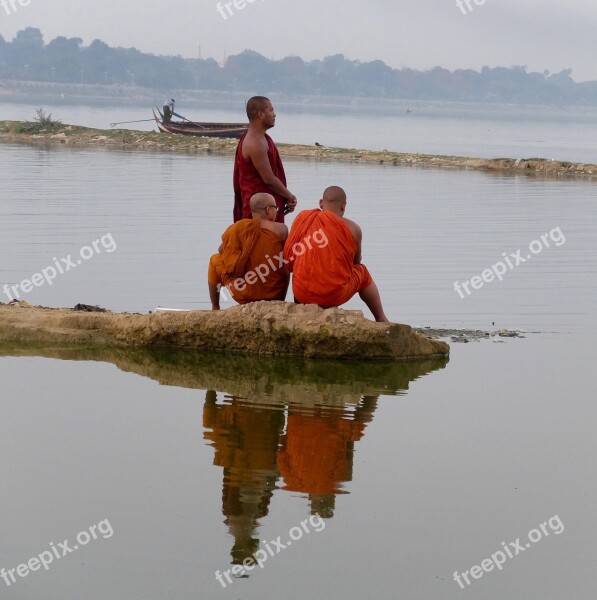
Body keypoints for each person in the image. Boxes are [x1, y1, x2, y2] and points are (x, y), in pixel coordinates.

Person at [284, 186, 389, 322]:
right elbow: (355, 262)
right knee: (362, 272)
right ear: (343, 206)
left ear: (321, 203)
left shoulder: (303, 218)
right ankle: (381, 318)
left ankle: (302, 311)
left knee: (302, 271)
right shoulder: (353, 228)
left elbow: (288, 260)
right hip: (332, 296)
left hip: (302, 294)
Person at [208, 193, 289, 310]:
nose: (276, 211)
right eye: (275, 208)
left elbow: (221, 250)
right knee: (284, 259)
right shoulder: (281, 229)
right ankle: (281, 300)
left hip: (243, 293)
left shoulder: (240, 227)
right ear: (268, 210)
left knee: (214, 260)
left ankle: (215, 307)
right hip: (274, 293)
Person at [233, 96, 297, 223]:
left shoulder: (261, 138)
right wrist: (289, 196)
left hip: (268, 206)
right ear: (261, 114)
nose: (275, 115)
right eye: (271, 111)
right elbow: (269, 179)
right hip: (259, 209)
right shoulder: (255, 142)